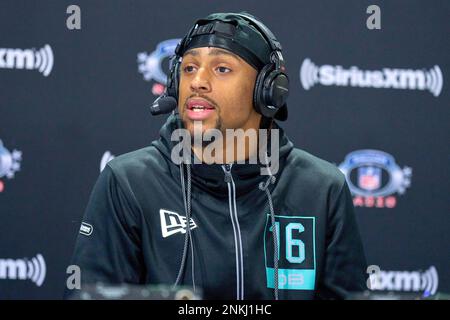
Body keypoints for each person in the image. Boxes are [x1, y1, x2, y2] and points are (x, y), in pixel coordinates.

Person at [66, 12, 367, 300]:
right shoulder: (129, 182)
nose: (198, 81)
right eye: (188, 68)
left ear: (268, 90)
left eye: (222, 68)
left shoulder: (321, 189)